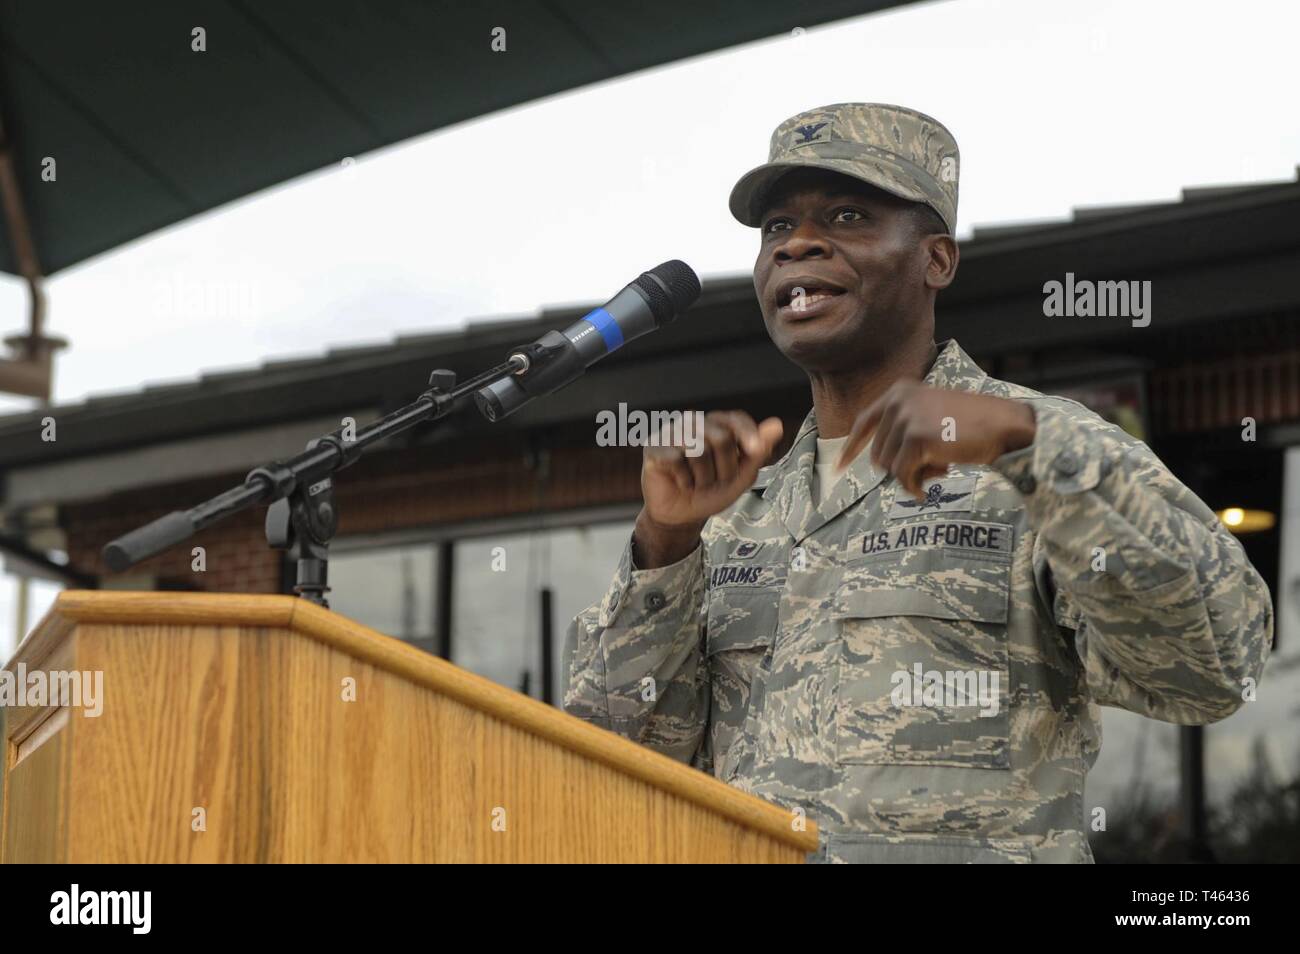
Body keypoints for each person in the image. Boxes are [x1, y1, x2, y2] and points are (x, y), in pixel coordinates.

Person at [561, 103, 1273, 862]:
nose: (798, 243)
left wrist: (1036, 452)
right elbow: (616, 766)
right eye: (777, 229)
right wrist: (665, 544)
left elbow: (1216, 670)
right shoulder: (739, 512)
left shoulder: (1038, 453)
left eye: (846, 215)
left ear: (935, 259)